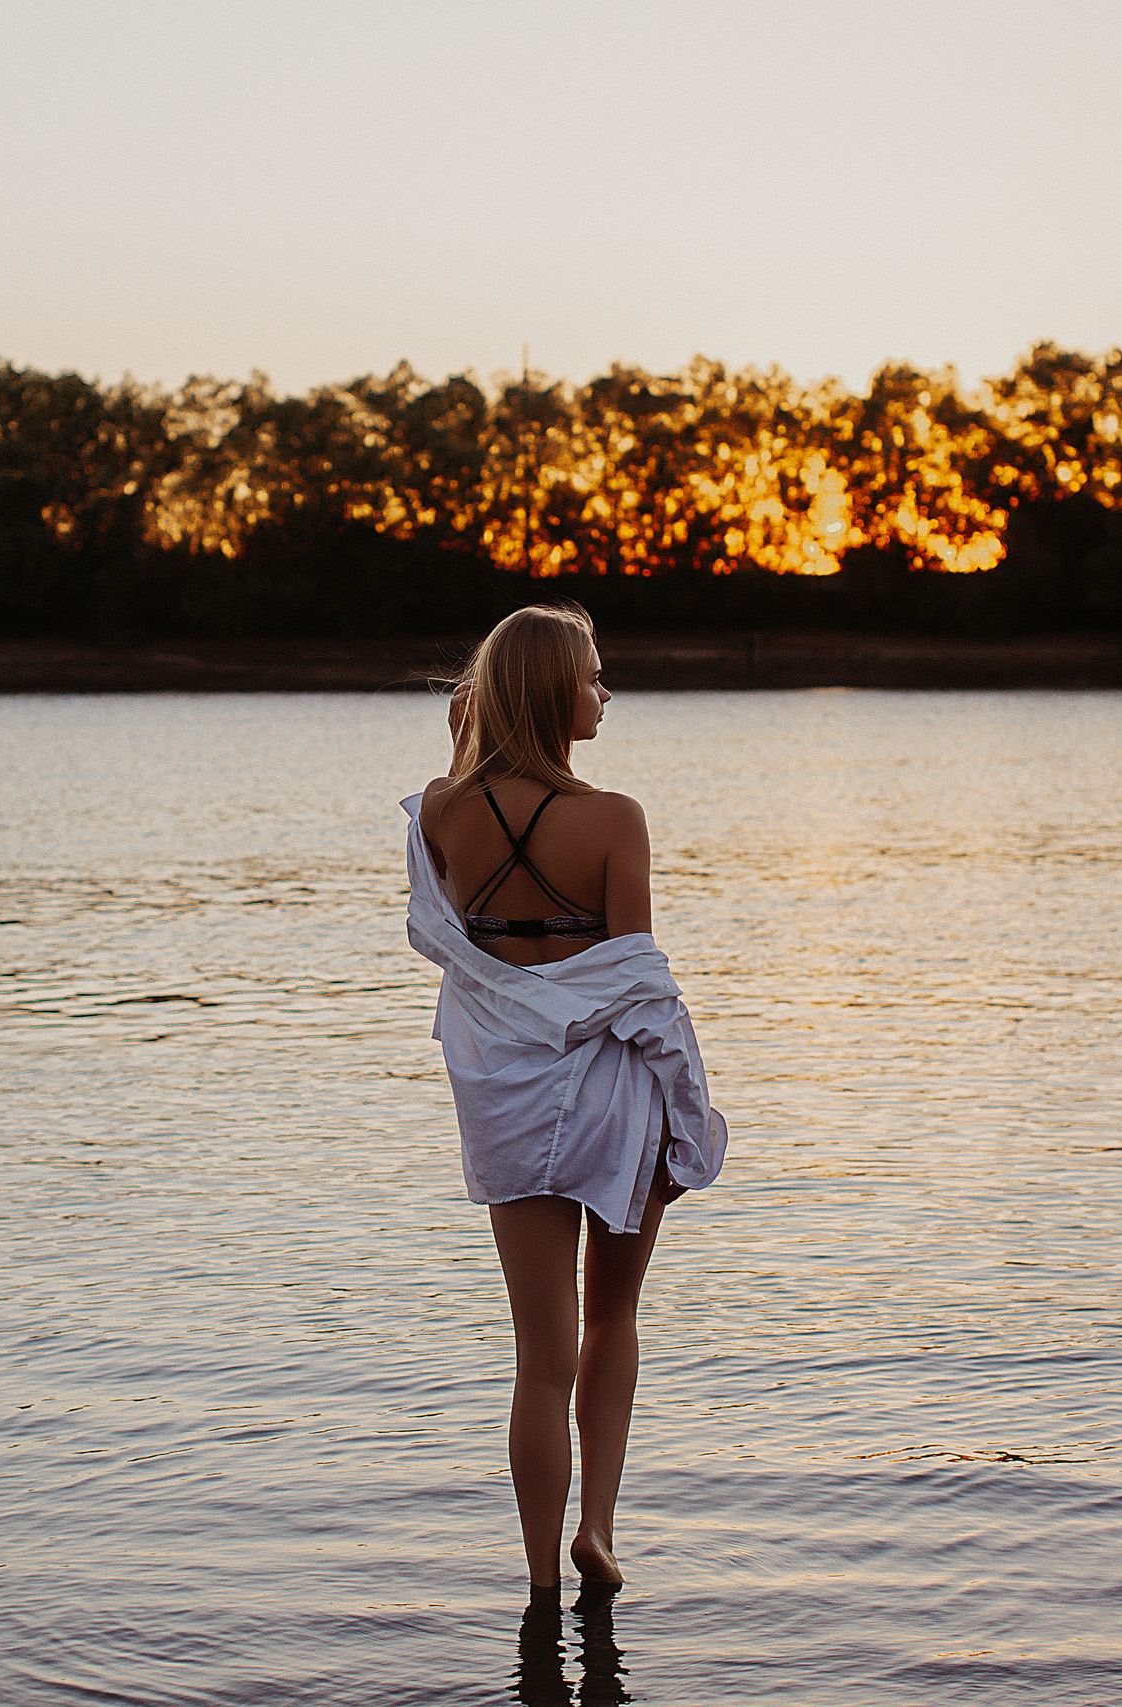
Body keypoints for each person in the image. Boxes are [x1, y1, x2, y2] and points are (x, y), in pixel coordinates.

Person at [402, 603, 728, 1593]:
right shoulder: (614, 819)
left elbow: (451, 919)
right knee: (612, 1321)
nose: (605, 692)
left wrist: (471, 728)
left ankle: (540, 1582)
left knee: (537, 1356)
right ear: (552, 695)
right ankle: (599, 1530)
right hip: (613, 1098)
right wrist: (688, 1113)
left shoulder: (438, 812)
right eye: (591, 677)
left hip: (507, 1098)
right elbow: (636, 986)